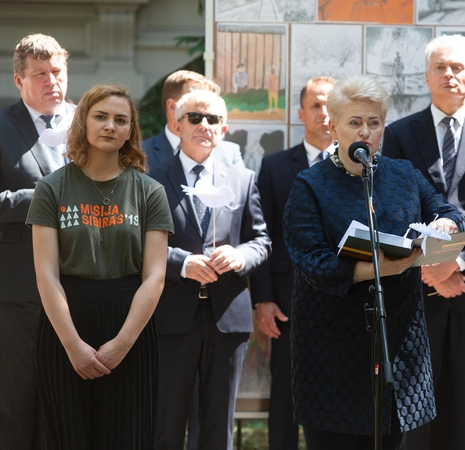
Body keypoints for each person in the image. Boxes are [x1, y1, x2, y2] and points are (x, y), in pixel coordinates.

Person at [283, 74, 465, 450]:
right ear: (333, 125)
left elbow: (453, 215)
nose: (365, 132)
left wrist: (445, 224)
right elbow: (311, 261)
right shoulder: (310, 185)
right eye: (355, 122)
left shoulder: (403, 174)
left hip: (397, 344)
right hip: (330, 348)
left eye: (374, 123)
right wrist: (378, 269)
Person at [382, 34, 465, 450]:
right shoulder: (400, 134)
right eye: (440, 67)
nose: (449, 74)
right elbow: (395, 210)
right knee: (414, 404)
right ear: (427, 76)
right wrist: (430, 268)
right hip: (417, 291)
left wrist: (453, 265)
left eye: (458, 67)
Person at [26, 84, 173, 449]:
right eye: (101, 116)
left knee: (128, 438)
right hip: (65, 324)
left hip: (129, 324)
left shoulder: (150, 191)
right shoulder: (51, 187)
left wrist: (122, 344)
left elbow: (154, 276)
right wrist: (73, 345)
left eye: (120, 120)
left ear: (130, 131)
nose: (110, 126)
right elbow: (46, 274)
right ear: (84, 123)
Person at [150, 89, 271, 450]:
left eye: (213, 119)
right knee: (166, 424)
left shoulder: (242, 178)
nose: (205, 125)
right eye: (195, 118)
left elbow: (262, 241)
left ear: (224, 129)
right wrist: (183, 262)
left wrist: (240, 256)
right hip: (171, 315)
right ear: (177, 124)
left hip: (226, 317)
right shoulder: (151, 177)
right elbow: (139, 243)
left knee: (218, 428)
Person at [249, 75, 336, 450]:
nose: (324, 112)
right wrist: (263, 298)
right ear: (301, 113)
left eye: (331, 105)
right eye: (316, 105)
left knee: (341, 395)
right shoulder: (276, 166)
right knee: (286, 396)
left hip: (345, 298)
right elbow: (264, 237)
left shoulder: (360, 168)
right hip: (288, 302)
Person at [0, 33, 73, 450]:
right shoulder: (2, 127)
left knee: (64, 405)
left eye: (58, 71)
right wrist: (39, 199)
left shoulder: (90, 123)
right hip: (20, 292)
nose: (52, 81)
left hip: (81, 287)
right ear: (19, 80)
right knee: (16, 405)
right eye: (40, 74)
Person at [142, 69, 243, 173]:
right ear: (172, 106)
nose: (204, 105)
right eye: (194, 99)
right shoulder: (141, 153)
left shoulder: (229, 153)